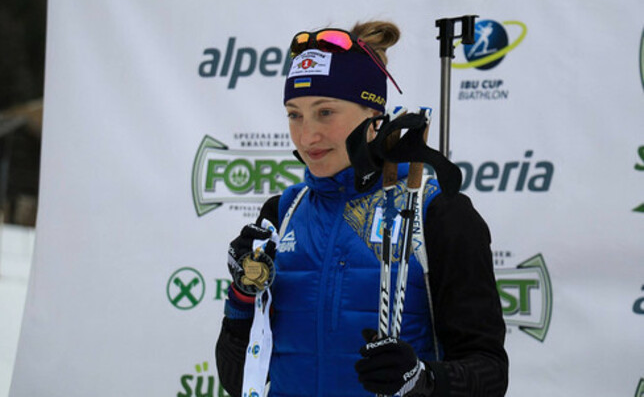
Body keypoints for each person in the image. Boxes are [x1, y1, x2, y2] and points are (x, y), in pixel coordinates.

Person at [215, 21, 508, 397]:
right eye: (294, 114)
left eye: (325, 112)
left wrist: (423, 379)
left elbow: (489, 372)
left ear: (373, 116)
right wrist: (243, 296)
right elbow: (238, 380)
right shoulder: (282, 213)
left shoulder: (436, 213)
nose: (307, 136)